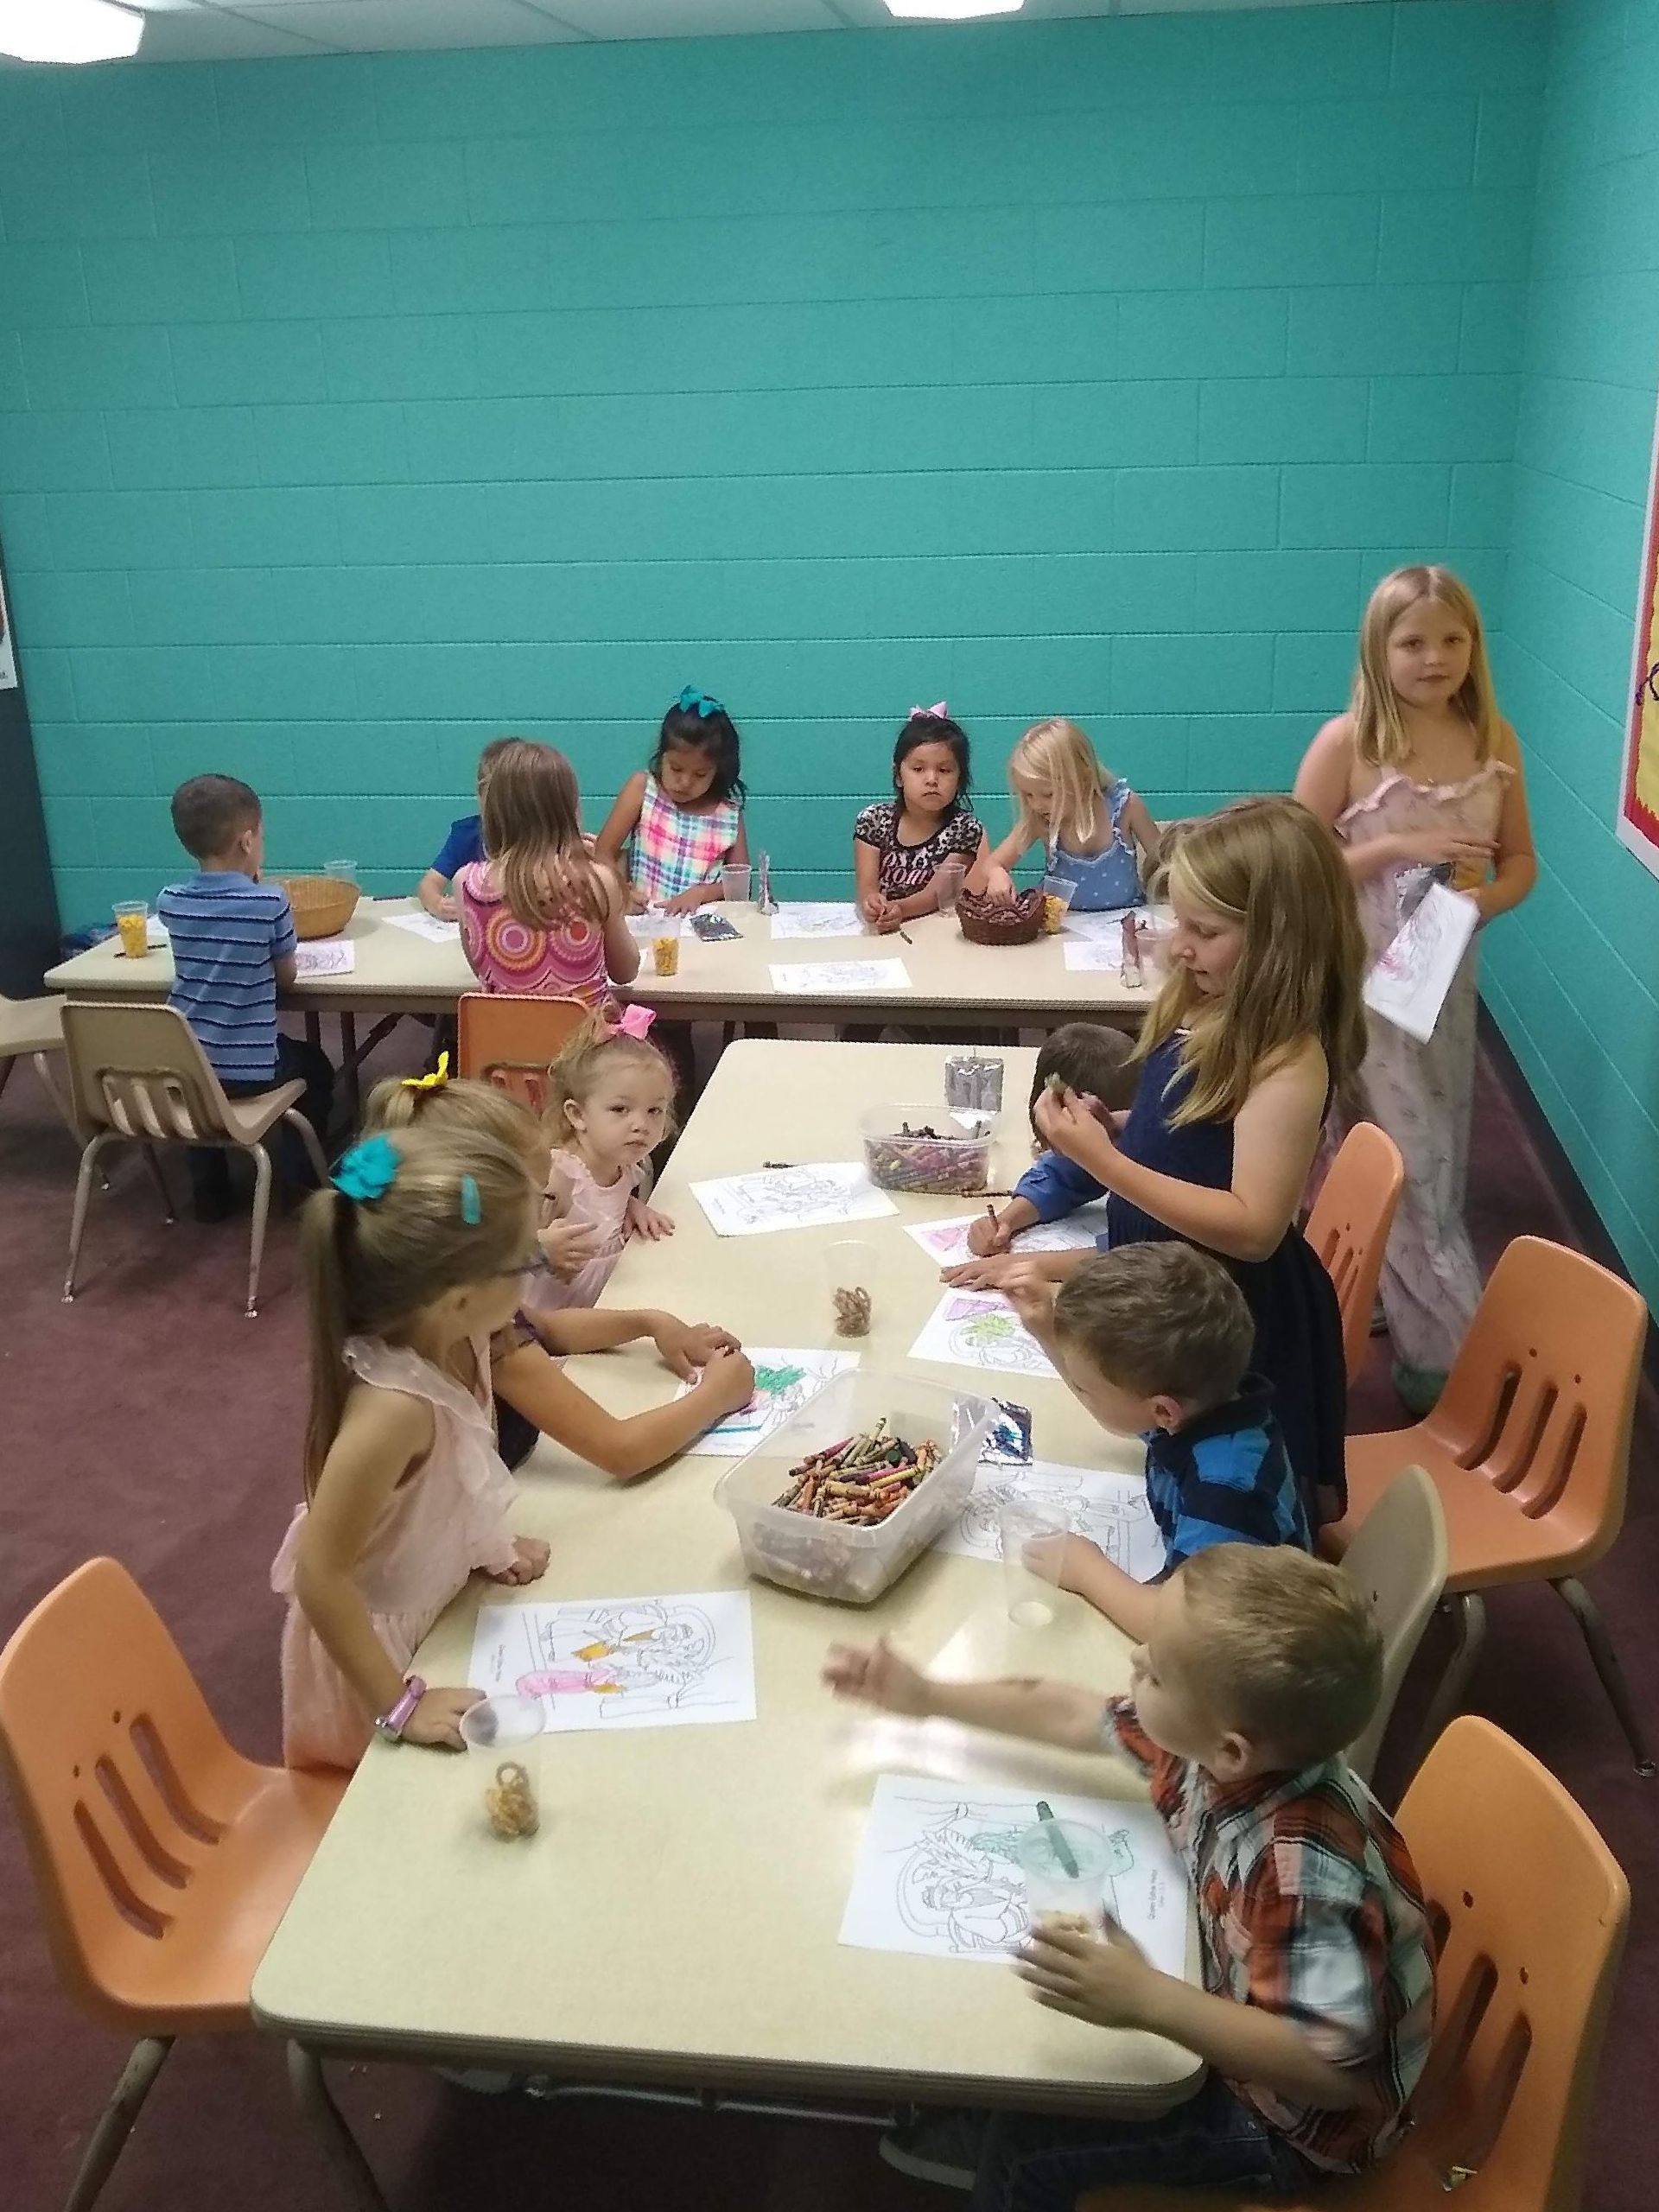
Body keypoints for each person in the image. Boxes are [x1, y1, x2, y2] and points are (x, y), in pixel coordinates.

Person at [823, 1545, 1435, 2209]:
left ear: (1232, 1749)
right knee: (1051, 2067)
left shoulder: (1304, 1875)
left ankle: (1004, 2154)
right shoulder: (1213, 1752)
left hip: (1287, 2131)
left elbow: (1328, 2074)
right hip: (1247, 1998)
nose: (1134, 1661)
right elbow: (1072, 1712)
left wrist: (1149, 1998)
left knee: (1032, 2150)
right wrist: (926, 1696)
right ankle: (1002, 2123)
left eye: (1157, 1673)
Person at [947, 798, 1365, 1526]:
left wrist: (1105, 1161)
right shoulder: (1210, 1007)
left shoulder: (1290, 1061)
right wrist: (1121, 1125)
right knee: (1163, 1470)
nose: (1179, 947)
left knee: (1228, 1503)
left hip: (1229, 1327)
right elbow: (1192, 1132)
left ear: (1280, 940)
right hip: (1170, 1290)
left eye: (1205, 930)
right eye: (1181, 922)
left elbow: (1252, 1227)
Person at [1295, 565, 1536, 1414]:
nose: (1435, 658)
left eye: (1452, 639)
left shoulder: (1494, 739)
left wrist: (1478, 901)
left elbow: (1521, 864)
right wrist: (1395, 850)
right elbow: (1299, 858)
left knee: (1432, 1153)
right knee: (1402, 1163)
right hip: (1357, 981)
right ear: (1379, 648)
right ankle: (1460, 1368)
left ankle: (1395, 1309)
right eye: (1412, 641)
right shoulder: (1347, 743)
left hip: (1442, 981)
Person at [271, 1122, 550, 1770]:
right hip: (373, 1659)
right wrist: (399, 1704)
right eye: (528, 1261)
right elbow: (321, 1574)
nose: (538, 1275)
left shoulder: (462, 1338)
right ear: (458, 1297)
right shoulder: (394, 1411)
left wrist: (484, 1543)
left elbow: (451, 1480)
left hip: (438, 1615)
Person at [361, 1066, 755, 1476]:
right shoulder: (472, 1334)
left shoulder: (451, 1295)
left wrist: (651, 1323)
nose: (548, 1211)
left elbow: (547, 1329)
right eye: (540, 1197)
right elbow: (621, 1451)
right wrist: (715, 1396)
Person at [1001, 1244, 1309, 1639]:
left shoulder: (1227, 1489)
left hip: (1250, 1656)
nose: (1081, 1392)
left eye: (1085, 1388)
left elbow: (1179, 1629)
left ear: (1163, 1411)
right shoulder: (1202, 1405)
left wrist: (1086, 1570)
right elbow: (1119, 1409)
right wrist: (1048, 1332)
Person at [156, 773, 334, 1223]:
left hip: (185, 1065)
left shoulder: (171, 900)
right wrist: (257, 891)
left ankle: (209, 1194)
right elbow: (287, 978)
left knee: (201, 1083)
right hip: (250, 1069)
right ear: (247, 840)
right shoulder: (268, 902)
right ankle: (299, 1180)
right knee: (314, 1067)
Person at [455, 738, 638, 1003]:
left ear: (493, 812)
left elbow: (482, 971)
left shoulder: (466, 884)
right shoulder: (597, 881)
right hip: (588, 1043)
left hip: (504, 1042)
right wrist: (603, 868)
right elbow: (626, 971)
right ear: (570, 809)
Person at [529, 1007, 677, 1314]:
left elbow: (607, 1200)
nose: (641, 1125)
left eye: (654, 1110)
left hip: (601, 1307)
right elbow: (501, 1244)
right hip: (549, 1326)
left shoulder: (624, 1165)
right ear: (577, 1115)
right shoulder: (561, 1175)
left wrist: (632, 1206)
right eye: (620, 1110)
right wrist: (540, 1247)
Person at [969, 1022, 1138, 1256]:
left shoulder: (1167, 1159)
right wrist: (1006, 1221)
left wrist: (1039, 1265)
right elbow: (1064, 1176)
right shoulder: (1112, 1136)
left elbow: (1143, 1247)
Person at [594, 686, 748, 914]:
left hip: (698, 932)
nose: (685, 782)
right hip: (643, 923)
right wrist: (620, 893)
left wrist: (702, 892)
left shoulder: (728, 815)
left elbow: (740, 885)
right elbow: (603, 852)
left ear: (718, 770)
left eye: (700, 774)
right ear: (661, 755)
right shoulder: (643, 789)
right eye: (676, 768)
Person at [982, 718, 1160, 910]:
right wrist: (997, 874)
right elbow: (992, 863)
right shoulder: (1039, 820)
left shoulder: (1126, 807)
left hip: (1124, 925)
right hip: (1063, 930)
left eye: (1048, 794)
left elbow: (1168, 864)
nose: (1036, 805)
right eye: (1028, 795)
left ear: (1083, 778)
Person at [853, 705, 989, 932]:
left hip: (935, 932)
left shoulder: (964, 829)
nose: (932, 779)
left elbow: (934, 896)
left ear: (960, 779)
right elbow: (867, 887)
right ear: (898, 775)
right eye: (918, 769)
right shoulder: (872, 821)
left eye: (944, 770)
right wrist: (872, 905)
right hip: (883, 931)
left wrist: (898, 909)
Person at [416, 738, 517, 921]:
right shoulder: (465, 835)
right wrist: (437, 903)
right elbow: (429, 884)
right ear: (480, 794)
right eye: (495, 799)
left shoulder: (540, 838)